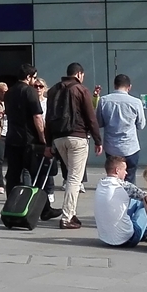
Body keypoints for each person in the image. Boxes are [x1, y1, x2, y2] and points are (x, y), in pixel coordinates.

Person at [45, 62, 101, 230]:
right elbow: (90, 117)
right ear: (79, 74)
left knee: (71, 176)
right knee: (74, 179)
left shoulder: (53, 90)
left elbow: (48, 118)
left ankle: (71, 212)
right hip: (77, 137)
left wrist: (49, 143)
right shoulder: (80, 89)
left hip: (58, 138)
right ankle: (67, 216)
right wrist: (98, 140)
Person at [2, 64, 48, 195]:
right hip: (28, 139)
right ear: (28, 77)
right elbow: (37, 116)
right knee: (30, 171)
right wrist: (42, 137)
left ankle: (12, 201)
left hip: (12, 137)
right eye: (34, 77)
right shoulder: (29, 91)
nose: (35, 80)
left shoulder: (9, 92)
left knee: (13, 173)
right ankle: (29, 200)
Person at [96, 74, 147, 184]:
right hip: (130, 147)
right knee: (130, 178)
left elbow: (99, 123)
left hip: (111, 148)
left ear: (114, 85)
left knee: (113, 177)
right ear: (129, 87)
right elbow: (141, 125)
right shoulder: (136, 102)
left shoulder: (104, 100)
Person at [94, 155, 147, 247]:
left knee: (134, 202)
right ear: (117, 170)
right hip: (128, 239)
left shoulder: (100, 183)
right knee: (145, 203)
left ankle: (145, 231)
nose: (126, 173)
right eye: (124, 169)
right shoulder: (124, 186)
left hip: (105, 239)